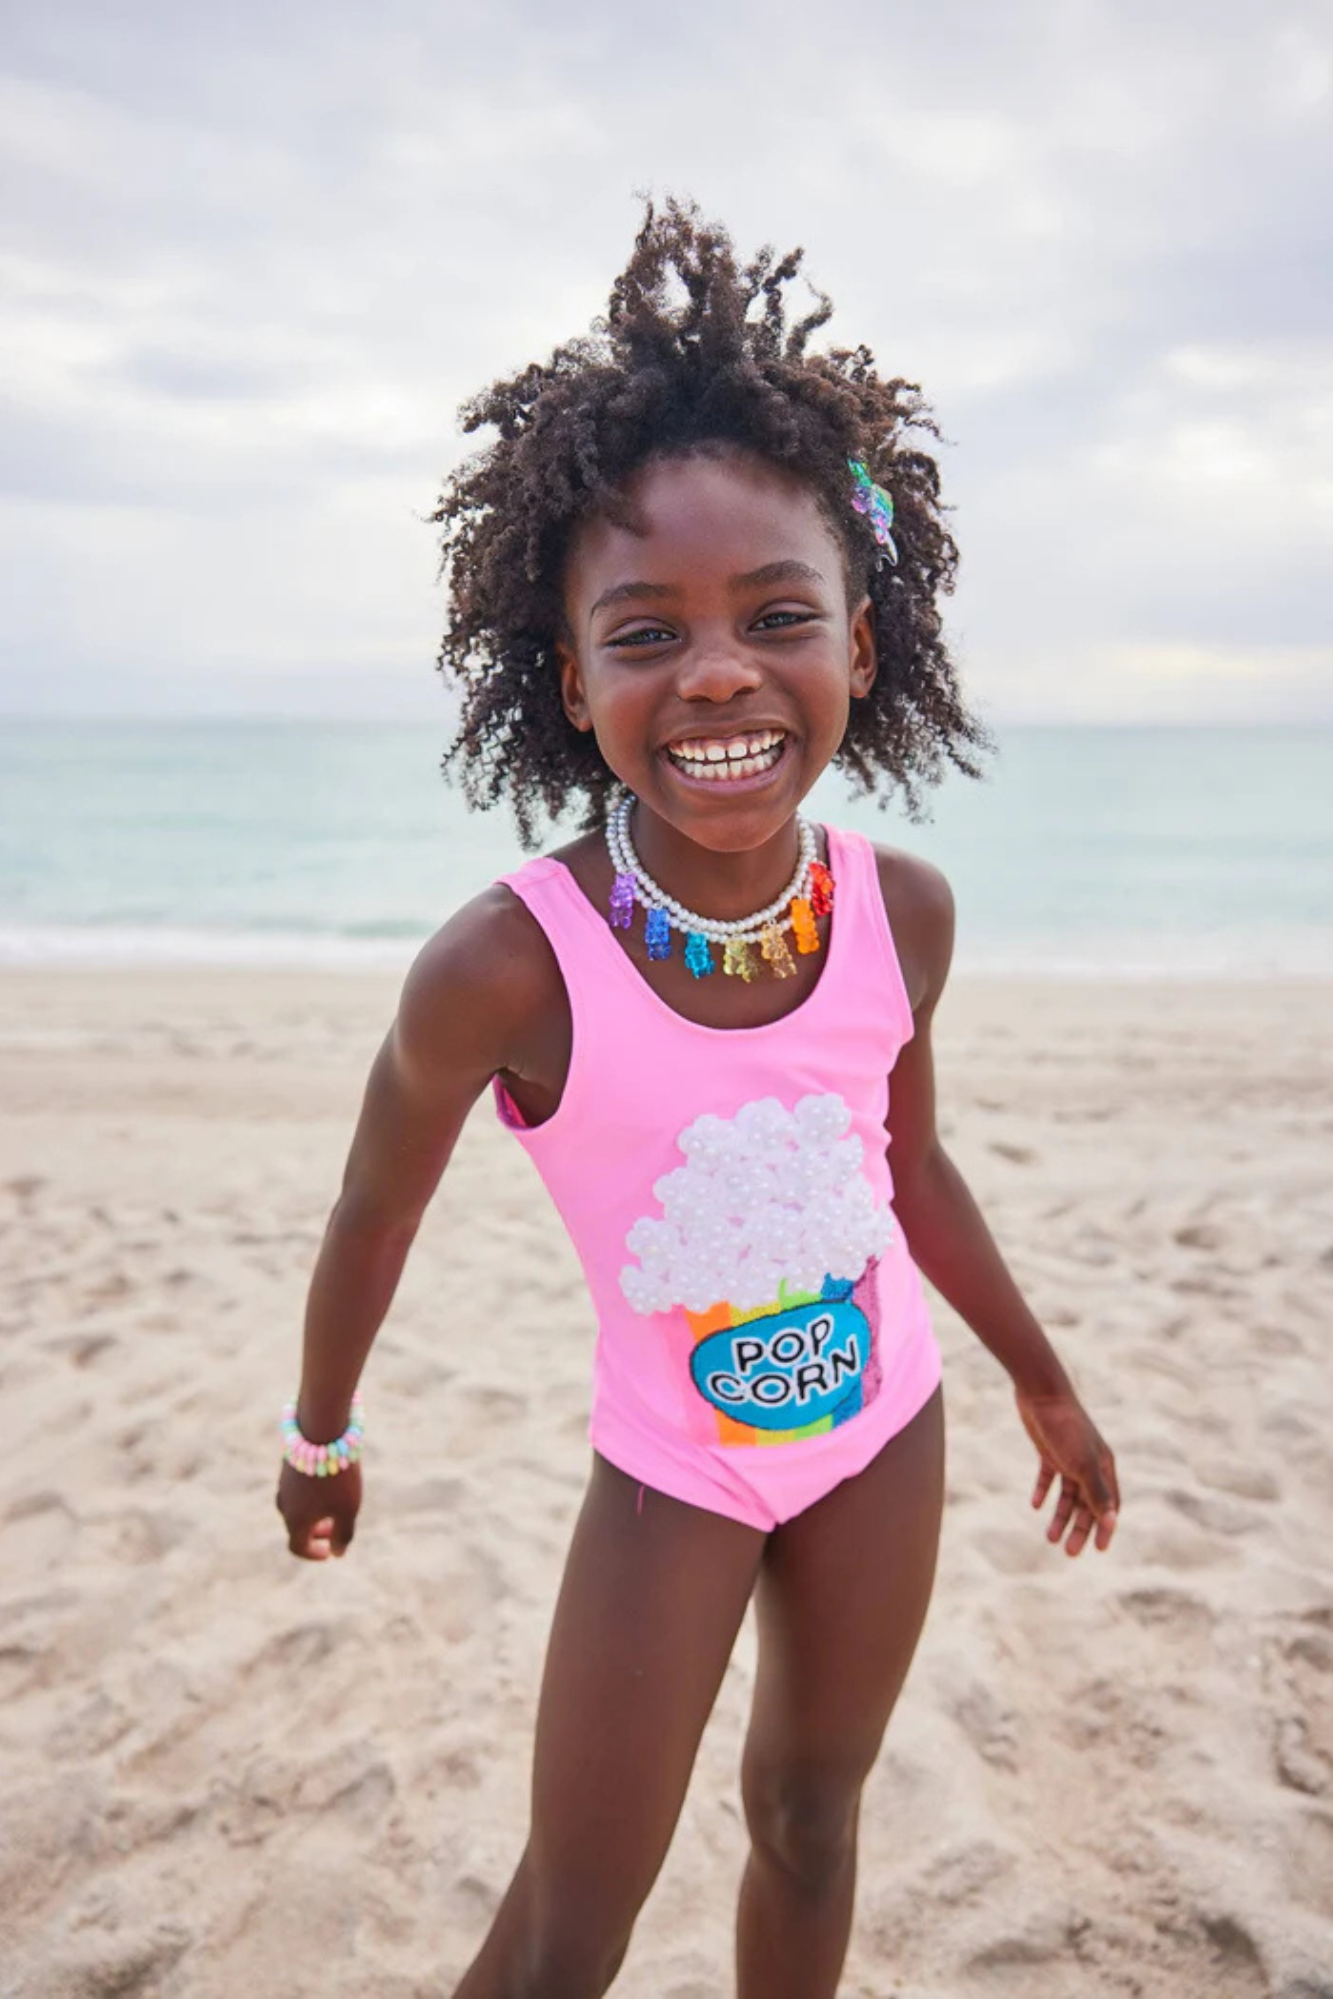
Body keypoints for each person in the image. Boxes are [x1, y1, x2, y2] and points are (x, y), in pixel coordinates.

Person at [275, 197, 1120, 2000]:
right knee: (568, 1929)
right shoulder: (506, 967)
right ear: (572, 679)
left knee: (812, 1817)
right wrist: (321, 1435)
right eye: (645, 631)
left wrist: (1040, 1377)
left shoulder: (903, 914)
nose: (719, 670)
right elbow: (375, 1212)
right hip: (674, 1477)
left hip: (884, 1430)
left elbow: (907, 1168)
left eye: (778, 616)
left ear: (862, 650)